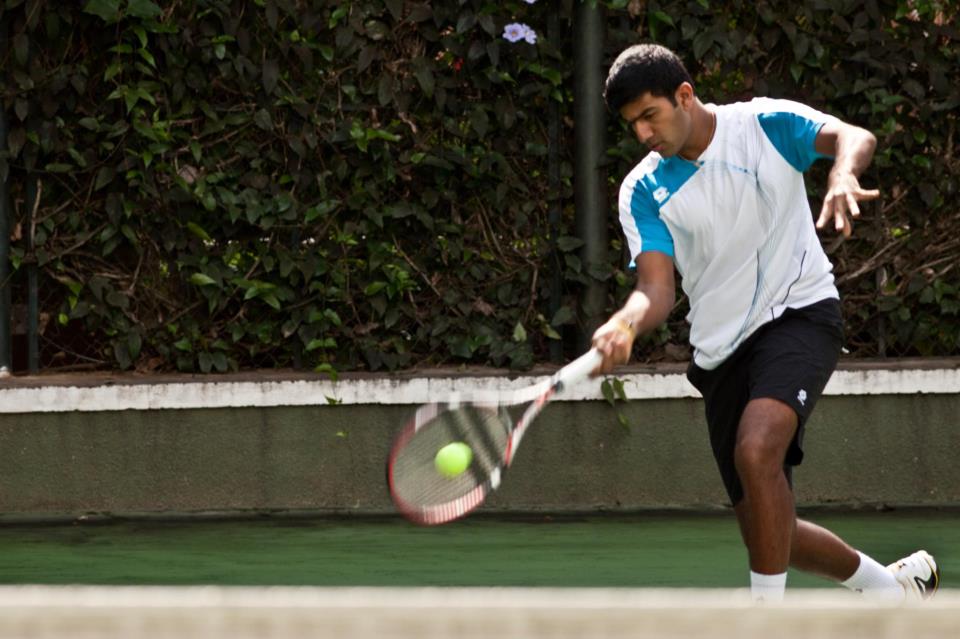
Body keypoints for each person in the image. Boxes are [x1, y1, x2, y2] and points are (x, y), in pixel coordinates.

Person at [591, 43, 939, 603]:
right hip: (721, 352)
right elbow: (656, 289)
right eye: (632, 124)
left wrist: (843, 175)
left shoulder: (762, 125)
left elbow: (854, 137)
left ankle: (765, 619)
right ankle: (891, 589)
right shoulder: (642, 190)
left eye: (649, 116)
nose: (643, 134)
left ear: (684, 95)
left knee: (756, 453)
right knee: (768, 530)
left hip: (799, 311)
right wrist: (626, 324)